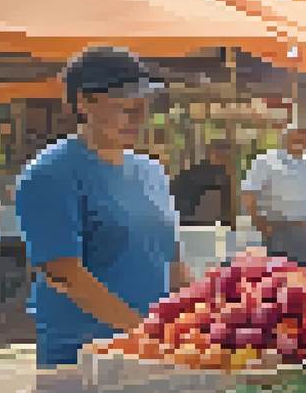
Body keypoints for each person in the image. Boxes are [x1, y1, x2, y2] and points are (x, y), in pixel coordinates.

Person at [14, 47, 191, 368]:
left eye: (143, 106)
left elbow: (173, 262)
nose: (137, 116)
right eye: (125, 106)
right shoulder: (50, 174)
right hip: (82, 355)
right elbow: (63, 273)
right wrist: (144, 335)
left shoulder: (152, 172)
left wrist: (200, 321)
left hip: (153, 354)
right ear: (84, 102)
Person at [241, 123, 306, 268]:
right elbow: (248, 193)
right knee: (280, 277)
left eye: (303, 138)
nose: (299, 141)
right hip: (279, 230)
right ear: (283, 139)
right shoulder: (265, 161)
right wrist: (259, 223)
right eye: (294, 137)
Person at [171, 139, 235, 226]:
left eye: (227, 156)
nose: (225, 159)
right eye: (223, 155)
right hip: (188, 222)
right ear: (212, 153)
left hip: (202, 225)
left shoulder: (223, 177)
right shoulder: (192, 174)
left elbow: (225, 212)